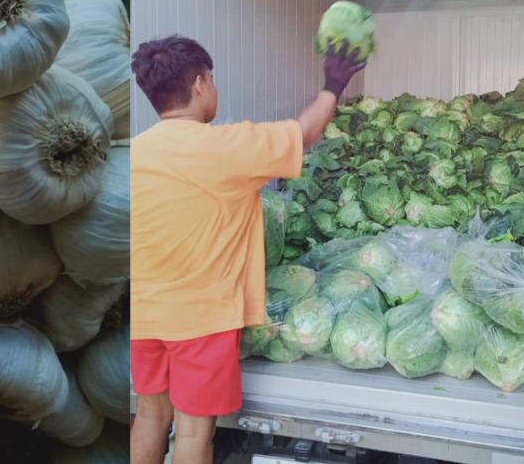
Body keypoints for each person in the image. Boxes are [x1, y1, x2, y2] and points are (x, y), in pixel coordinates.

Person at [129, 34, 366, 464]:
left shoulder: (137, 151)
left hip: (145, 314)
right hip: (202, 316)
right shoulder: (227, 146)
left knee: (148, 416)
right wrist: (334, 83)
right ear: (200, 84)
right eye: (212, 81)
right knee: (192, 434)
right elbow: (306, 132)